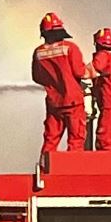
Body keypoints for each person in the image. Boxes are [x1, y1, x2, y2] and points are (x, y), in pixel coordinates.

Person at [32, 12, 88, 156]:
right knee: (76, 140)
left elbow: (37, 77)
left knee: (50, 140)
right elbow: (80, 72)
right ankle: (74, 172)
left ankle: (45, 172)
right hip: (73, 102)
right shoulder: (69, 48)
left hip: (54, 104)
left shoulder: (38, 52)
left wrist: (54, 84)